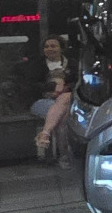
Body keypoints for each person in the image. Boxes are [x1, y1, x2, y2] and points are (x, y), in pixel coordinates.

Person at [22, 35, 76, 163]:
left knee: (64, 99)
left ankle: (45, 134)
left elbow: (79, 82)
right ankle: (64, 156)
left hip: (67, 99)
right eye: (46, 47)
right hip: (42, 101)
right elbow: (30, 85)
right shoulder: (36, 64)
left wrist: (65, 88)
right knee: (62, 115)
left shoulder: (73, 64)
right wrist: (52, 87)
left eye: (53, 46)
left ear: (61, 48)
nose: (50, 49)